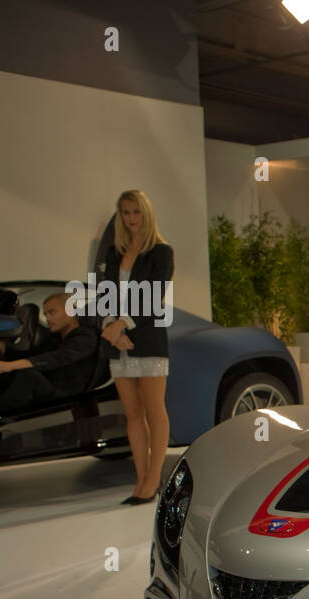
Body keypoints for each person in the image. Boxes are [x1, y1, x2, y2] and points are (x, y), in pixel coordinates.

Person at [99, 188, 174, 506]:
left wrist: (122, 324)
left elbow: (154, 297)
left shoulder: (161, 251)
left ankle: (154, 478)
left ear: (146, 213)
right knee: (132, 413)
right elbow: (104, 293)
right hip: (119, 343)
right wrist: (109, 327)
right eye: (125, 212)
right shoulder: (114, 253)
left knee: (154, 410)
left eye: (136, 212)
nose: (131, 218)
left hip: (148, 339)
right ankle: (141, 480)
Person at [0, 292, 99, 415]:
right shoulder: (54, 339)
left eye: (52, 312)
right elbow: (33, 355)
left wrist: (10, 365)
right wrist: (4, 350)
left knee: (28, 375)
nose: (48, 319)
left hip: (68, 395)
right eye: (45, 314)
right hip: (51, 389)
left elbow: (56, 358)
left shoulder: (86, 337)